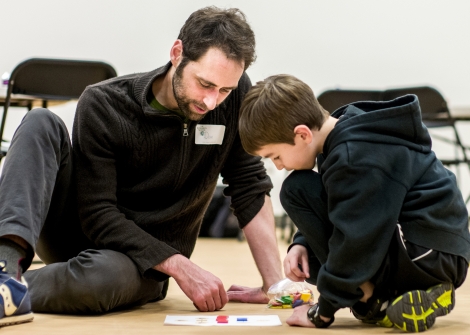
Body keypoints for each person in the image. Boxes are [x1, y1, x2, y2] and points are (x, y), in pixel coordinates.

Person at [0, 6, 283, 326]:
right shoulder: (103, 102)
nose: (211, 101)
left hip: (142, 263)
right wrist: (181, 266)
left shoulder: (234, 95)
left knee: (102, 278)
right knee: (40, 121)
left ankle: (11, 292)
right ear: (177, 53)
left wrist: (275, 284)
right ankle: (6, 269)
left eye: (224, 90)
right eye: (204, 84)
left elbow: (249, 184)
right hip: (81, 229)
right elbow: (98, 214)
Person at [238, 74, 470, 332]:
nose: (278, 165)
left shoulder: (353, 156)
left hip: (430, 252)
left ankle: (378, 300)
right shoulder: (341, 138)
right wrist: (302, 243)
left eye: (276, 156)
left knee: (327, 237)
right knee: (301, 213)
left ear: (302, 134)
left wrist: (322, 312)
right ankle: (378, 295)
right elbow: (340, 206)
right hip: (419, 243)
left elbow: (357, 238)